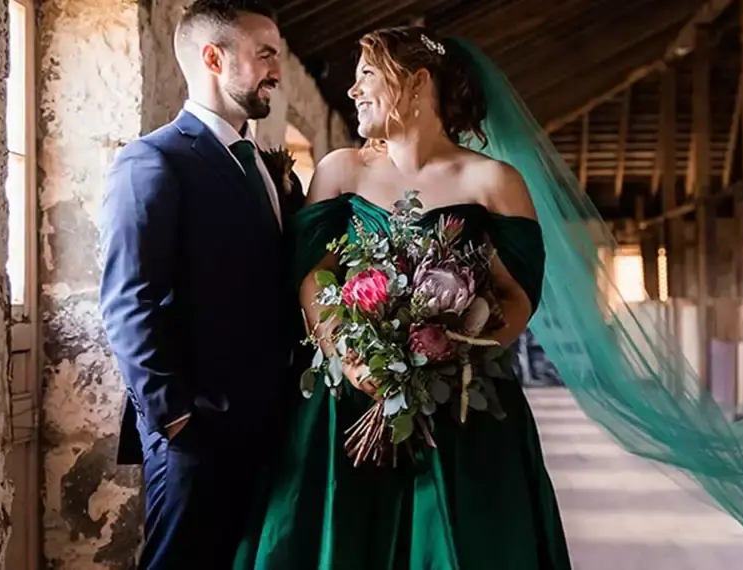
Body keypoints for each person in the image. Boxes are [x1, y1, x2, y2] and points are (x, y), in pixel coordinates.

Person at [232, 26, 572, 568]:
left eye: (366, 73)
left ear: (415, 82)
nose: (353, 90)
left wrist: (445, 358)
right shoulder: (342, 170)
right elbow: (314, 276)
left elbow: (515, 296)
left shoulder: (492, 181)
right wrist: (351, 356)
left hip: (461, 409)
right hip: (347, 400)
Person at [96, 1, 304, 568]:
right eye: (264, 55)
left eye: (277, 57)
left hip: (270, 423)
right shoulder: (153, 161)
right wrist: (176, 416)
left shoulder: (260, 163)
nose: (275, 70)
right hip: (198, 432)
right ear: (214, 58)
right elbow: (126, 300)